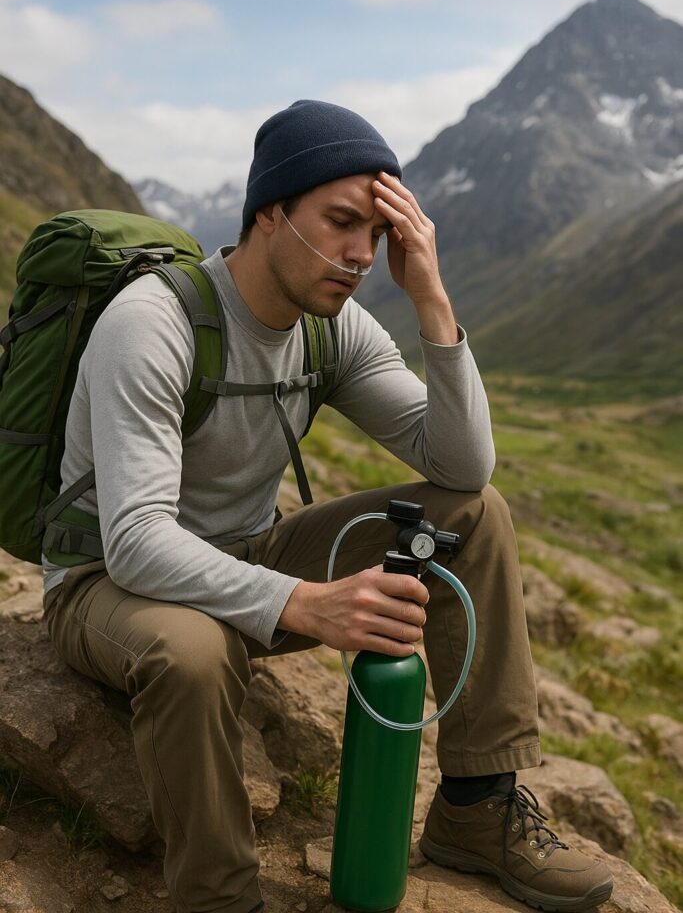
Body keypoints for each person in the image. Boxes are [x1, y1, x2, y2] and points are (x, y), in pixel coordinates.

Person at [42, 100, 612, 913]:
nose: (359, 255)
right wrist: (309, 604)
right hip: (107, 580)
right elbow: (134, 542)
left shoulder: (330, 328)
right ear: (269, 213)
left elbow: (460, 465)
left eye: (376, 236)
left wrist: (432, 302)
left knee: (474, 512)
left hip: (245, 553)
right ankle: (220, 898)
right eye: (341, 222)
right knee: (196, 651)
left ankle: (477, 811)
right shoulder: (152, 322)